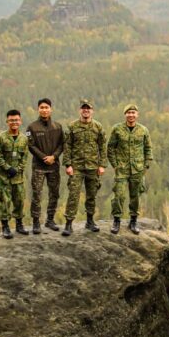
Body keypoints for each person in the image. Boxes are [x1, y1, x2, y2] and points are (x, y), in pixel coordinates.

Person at [62, 98, 106, 236]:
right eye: (83, 108)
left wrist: (102, 165)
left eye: (88, 108)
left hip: (93, 167)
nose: (86, 110)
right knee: (73, 195)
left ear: (92, 111)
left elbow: (102, 147)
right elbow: (67, 146)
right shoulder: (72, 126)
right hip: (77, 167)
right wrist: (68, 164)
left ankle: (90, 221)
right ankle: (69, 223)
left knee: (92, 195)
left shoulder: (98, 127)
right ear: (80, 110)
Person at [107, 103, 153, 235]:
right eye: (128, 113)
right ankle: (116, 220)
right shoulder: (117, 129)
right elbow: (110, 148)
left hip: (137, 169)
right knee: (119, 195)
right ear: (125, 114)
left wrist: (146, 165)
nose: (131, 115)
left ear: (137, 115)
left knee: (135, 196)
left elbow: (148, 148)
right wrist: (115, 165)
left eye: (133, 113)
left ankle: (133, 221)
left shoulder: (143, 130)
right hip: (121, 169)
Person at [26, 98, 64, 233]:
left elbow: (62, 144)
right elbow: (31, 146)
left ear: (51, 109)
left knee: (54, 193)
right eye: (41, 107)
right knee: (37, 194)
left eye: (46, 107)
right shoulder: (32, 127)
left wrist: (54, 156)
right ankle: (36, 222)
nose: (44, 110)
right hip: (39, 167)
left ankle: (50, 220)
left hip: (54, 166)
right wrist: (43, 157)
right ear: (38, 109)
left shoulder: (57, 127)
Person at [0, 109, 30, 239]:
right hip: (3, 178)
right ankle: (5, 227)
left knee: (19, 201)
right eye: (11, 120)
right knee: (4, 202)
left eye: (16, 120)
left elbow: (25, 157)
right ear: (7, 121)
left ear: (20, 121)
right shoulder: (0, 138)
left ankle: (19, 225)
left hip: (18, 178)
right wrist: (8, 168)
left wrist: (18, 169)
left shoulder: (24, 139)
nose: (14, 122)